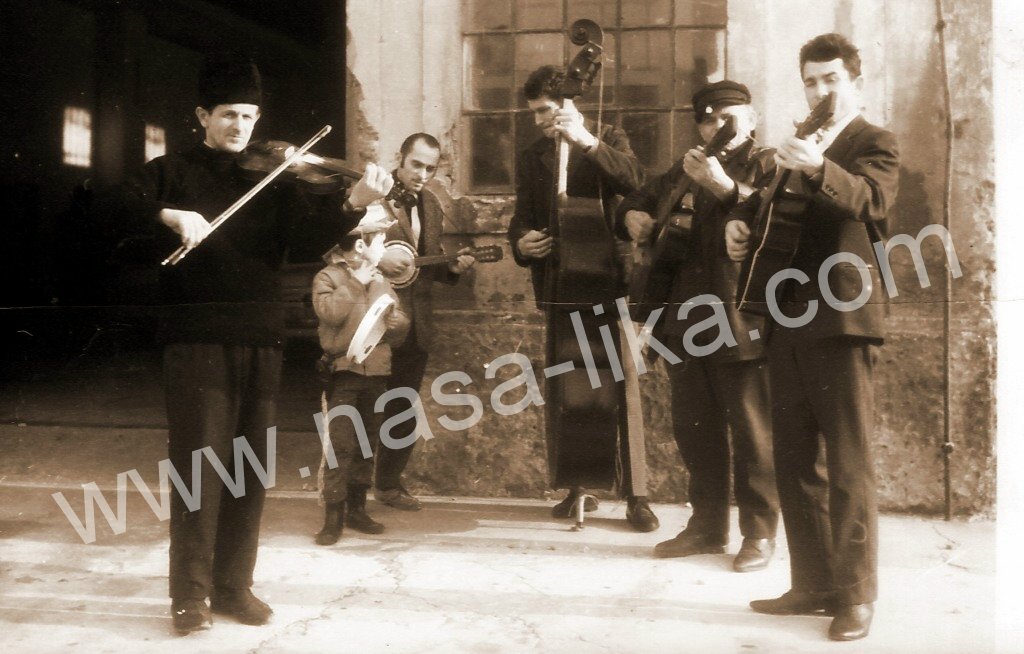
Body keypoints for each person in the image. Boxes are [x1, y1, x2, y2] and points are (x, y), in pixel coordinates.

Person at [113, 52, 390, 635]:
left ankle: (234, 585)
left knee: (248, 468)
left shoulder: (276, 180)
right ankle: (190, 596)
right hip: (196, 338)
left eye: (248, 116)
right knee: (200, 468)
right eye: (228, 114)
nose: (240, 126)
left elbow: (308, 239)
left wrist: (355, 203)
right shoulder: (170, 171)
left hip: (261, 336)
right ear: (202, 116)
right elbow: (109, 209)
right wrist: (167, 215)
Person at [725, 33, 899, 641]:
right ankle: (814, 584)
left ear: (856, 82)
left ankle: (856, 595)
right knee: (794, 458)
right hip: (788, 317)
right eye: (810, 81)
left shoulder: (872, 141)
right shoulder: (800, 142)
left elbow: (872, 201)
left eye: (831, 79)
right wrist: (739, 227)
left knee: (849, 463)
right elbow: (769, 214)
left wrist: (818, 167)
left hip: (843, 319)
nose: (820, 90)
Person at [615, 81, 779, 570]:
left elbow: (774, 217)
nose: (717, 127)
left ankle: (760, 532)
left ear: (751, 119)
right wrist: (633, 216)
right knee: (695, 428)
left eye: (727, 117)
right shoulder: (683, 169)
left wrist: (724, 187)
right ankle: (707, 526)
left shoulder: (768, 163)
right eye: (707, 120)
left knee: (751, 430)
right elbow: (633, 200)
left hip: (740, 316)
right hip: (684, 318)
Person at [507, 65, 658, 532]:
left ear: (568, 104)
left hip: (609, 280)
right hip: (560, 283)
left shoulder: (608, 135)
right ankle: (579, 486)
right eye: (534, 112)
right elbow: (521, 216)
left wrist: (587, 142)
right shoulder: (533, 155)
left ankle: (637, 496)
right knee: (570, 389)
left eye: (545, 111)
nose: (538, 121)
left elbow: (638, 182)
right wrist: (521, 243)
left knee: (624, 386)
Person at [344, 133, 476, 511]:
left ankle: (388, 485)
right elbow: (340, 249)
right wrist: (377, 259)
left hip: (416, 324)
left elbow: (423, 263)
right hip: (374, 321)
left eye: (430, 168)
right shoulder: (371, 194)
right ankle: (351, 494)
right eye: (416, 164)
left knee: (402, 409)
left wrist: (452, 268)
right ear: (400, 158)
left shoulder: (431, 204)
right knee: (366, 409)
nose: (422, 174)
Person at [311, 227, 409, 545]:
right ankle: (333, 517)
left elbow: (397, 324)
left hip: (376, 372)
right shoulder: (328, 277)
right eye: (376, 241)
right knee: (341, 445)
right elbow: (330, 313)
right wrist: (355, 283)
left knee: (367, 444)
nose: (381, 247)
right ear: (354, 247)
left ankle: (357, 509)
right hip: (343, 373)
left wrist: (398, 323)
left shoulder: (382, 280)